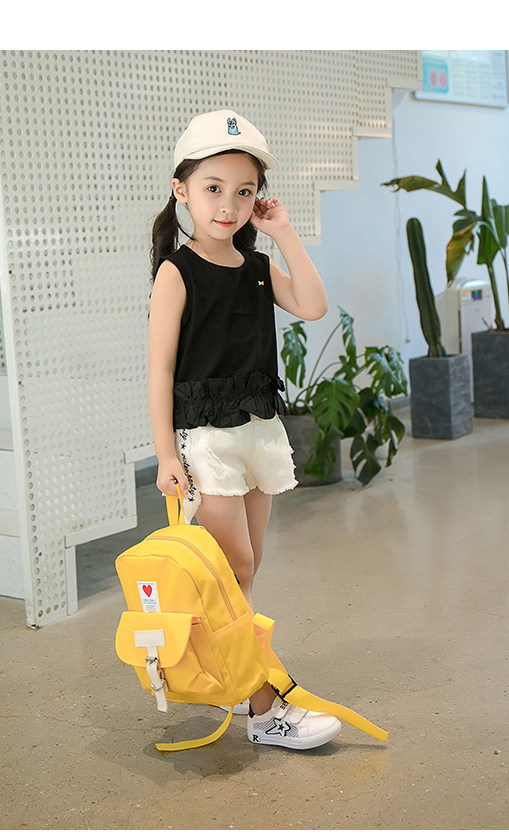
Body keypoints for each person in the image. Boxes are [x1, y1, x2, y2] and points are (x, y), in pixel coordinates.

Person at [147, 109, 340, 750]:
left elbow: (313, 305)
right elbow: (159, 370)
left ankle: (237, 685)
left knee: (243, 576)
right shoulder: (177, 272)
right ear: (181, 190)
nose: (228, 205)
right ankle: (264, 707)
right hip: (206, 439)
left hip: (257, 430)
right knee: (233, 571)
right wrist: (165, 455)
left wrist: (283, 233)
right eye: (213, 188)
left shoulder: (256, 267)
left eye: (244, 190)